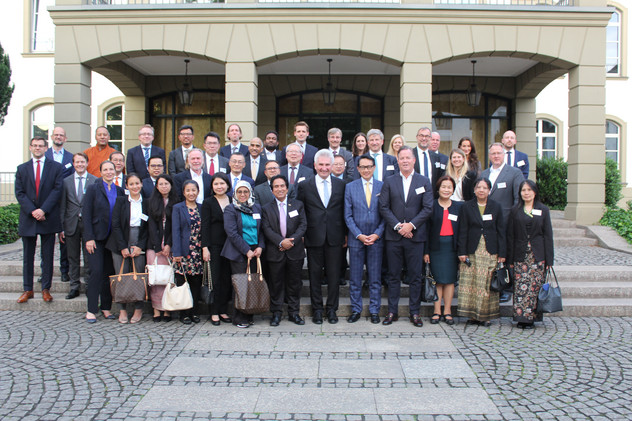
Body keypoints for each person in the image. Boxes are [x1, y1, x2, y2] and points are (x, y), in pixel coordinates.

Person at [378, 146, 433, 328]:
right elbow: (384, 207)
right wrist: (398, 226)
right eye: (402, 158)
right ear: (398, 160)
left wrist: (411, 225)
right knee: (393, 276)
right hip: (394, 237)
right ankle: (392, 311)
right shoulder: (389, 181)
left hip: (415, 237)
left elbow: (427, 208)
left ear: (414, 160)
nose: (405, 161)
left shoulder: (424, 181)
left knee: (415, 277)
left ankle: (415, 312)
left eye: (408, 158)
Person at [296, 149, 346, 324]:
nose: (324, 168)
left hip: (335, 236)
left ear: (332, 166)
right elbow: (300, 212)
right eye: (321, 165)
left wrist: (345, 235)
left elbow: (344, 211)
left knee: (333, 276)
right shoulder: (304, 185)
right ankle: (317, 310)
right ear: (315, 165)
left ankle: (332, 309)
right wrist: (301, 235)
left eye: (327, 165)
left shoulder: (341, 185)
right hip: (313, 236)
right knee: (314, 276)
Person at [15, 137, 64, 304]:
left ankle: (46, 288)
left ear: (45, 148)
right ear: (30, 147)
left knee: (48, 255)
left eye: (40, 146)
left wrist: (43, 210)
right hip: (29, 217)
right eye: (34, 145)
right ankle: (27, 289)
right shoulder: (22, 169)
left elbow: (57, 190)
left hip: (47, 216)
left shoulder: (55, 167)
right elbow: (20, 193)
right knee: (28, 256)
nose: (37, 148)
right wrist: (33, 211)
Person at [457, 178, 506, 327]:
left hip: (490, 250)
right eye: (479, 187)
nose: (481, 190)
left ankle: (485, 316)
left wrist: (502, 254)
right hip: (471, 250)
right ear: (474, 189)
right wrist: (462, 251)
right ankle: (472, 315)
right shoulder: (467, 207)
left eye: (485, 188)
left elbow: (501, 231)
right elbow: (462, 230)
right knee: (471, 283)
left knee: (486, 283)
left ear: (489, 190)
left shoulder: (496, 207)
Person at [261, 174, 307, 326]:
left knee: (294, 283)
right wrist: (281, 242)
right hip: (276, 251)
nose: (280, 189)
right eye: (276, 186)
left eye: (282, 186)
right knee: (276, 284)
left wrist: (291, 241)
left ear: (287, 188)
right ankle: (276, 313)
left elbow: (303, 225)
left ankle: (294, 313)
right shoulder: (266, 208)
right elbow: (266, 229)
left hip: (295, 252)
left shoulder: (298, 205)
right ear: (272, 190)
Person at [507, 179, 554, 329]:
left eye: (529, 190)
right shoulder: (515, 210)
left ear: (535, 192)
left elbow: (548, 235)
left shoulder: (543, 210)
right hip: (520, 254)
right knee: (521, 287)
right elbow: (511, 235)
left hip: (537, 254)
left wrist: (549, 260)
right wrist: (510, 258)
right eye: (523, 190)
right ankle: (521, 317)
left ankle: (532, 318)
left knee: (534, 288)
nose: (526, 193)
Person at [344, 154, 385, 324]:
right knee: (355, 277)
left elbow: (386, 214)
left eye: (369, 167)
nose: (366, 170)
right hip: (356, 239)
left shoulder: (383, 186)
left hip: (376, 239)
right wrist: (359, 235)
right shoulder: (350, 187)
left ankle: (374, 310)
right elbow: (347, 215)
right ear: (358, 169)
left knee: (375, 277)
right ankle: (356, 309)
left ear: (374, 168)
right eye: (363, 167)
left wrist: (377, 234)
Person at [83, 161, 125, 323]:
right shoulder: (94, 188)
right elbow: (86, 214)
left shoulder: (120, 190)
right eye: (105, 169)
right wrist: (89, 238)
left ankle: (106, 308)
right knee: (96, 272)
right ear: (100, 172)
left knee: (109, 273)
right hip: (96, 239)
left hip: (113, 239)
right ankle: (91, 309)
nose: (109, 172)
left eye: (111, 169)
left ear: (115, 172)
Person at [221, 181, 266, 328]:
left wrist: (260, 246)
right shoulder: (230, 209)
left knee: (252, 283)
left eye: (245, 192)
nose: (242, 194)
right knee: (240, 284)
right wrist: (246, 250)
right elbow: (232, 233)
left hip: (255, 251)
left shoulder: (256, 208)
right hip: (238, 251)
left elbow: (261, 230)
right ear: (234, 193)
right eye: (239, 192)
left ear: (250, 193)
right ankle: (239, 317)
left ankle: (249, 313)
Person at [108, 173, 148, 324]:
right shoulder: (121, 201)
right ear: (126, 186)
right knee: (121, 276)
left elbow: (147, 228)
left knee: (139, 275)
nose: (135, 186)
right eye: (131, 184)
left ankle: (138, 309)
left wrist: (140, 246)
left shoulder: (147, 202)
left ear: (141, 184)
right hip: (121, 241)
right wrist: (123, 247)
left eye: (137, 183)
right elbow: (116, 225)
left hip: (140, 241)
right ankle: (122, 310)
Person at [423, 176, 462, 326]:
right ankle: (437, 311)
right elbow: (426, 230)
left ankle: (447, 311)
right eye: (443, 187)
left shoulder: (459, 207)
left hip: (452, 249)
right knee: (438, 280)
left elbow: (462, 230)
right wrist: (426, 251)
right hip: (436, 248)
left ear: (453, 190)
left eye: (449, 187)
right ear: (438, 189)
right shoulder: (431, 206)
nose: (446, 190)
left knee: (450, 280)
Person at [59, 152, 98, 300]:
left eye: (82, 162)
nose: (80, 165)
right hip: (71, 224)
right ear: (73, 164)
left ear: (87, 163)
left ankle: (89, 285)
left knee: (89, 257)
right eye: (77, 162)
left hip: (88, 225)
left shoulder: (94, 181)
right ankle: (74, 286)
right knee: (73, 257)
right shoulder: (66, 181)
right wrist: (61, 227)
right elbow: (62, 205)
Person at [201, 172, 233, 326]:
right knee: (215, 279)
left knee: (227, 279)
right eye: (216, 184)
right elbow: (205, 226)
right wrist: (205, 247)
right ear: (212, 186)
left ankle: (223, 310)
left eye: (222, 183)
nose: (219, 187)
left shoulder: (233, 200)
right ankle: (214, 311)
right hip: (214, 246)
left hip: (231, 246)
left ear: (227, 185)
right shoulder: (208, 202)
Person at [44, 127, 74, 284]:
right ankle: (45, 272)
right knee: (46, 241)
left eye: (61, 135)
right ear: (51, 137)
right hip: (47, 203)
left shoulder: (70, 158)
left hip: (65, 202)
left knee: (64, 240)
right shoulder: (44, 155)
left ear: (65, 138)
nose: (59, 137)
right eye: (56, 135)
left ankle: (64, 270)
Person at [172, 180, 204, 325]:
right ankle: (183, 313)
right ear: (184, 192)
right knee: (183, 283)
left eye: (194, 190)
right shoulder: (178, 208)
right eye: (188, 190)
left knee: (196, 283)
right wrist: (176, 252)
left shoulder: (202, 208)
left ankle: (194, 311)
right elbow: (176, 231)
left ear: (198, 192)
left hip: (198, 251)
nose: (191, 193)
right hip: (184, 251)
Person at [146, 174, 177, 323]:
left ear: (171, 185)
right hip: (154, 246)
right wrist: (157, 245)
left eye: (166, 183)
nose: (164, 186)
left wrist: (168, 244)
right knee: (156, 278)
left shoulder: (177, 202)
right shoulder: (151, 202)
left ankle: (167, 309)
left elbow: (175, 226)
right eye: (161, 184)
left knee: (168, 279)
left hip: (170, 245)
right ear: (156, 186)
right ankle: (156, 308)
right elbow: (150, 225)